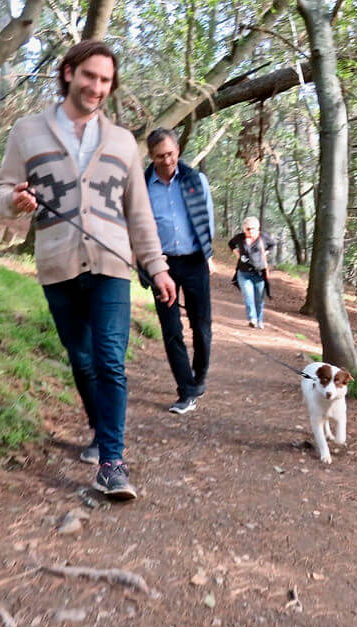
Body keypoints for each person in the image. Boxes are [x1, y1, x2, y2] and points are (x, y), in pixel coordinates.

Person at [0, 40, 176, 501]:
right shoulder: (27, 132)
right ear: (69, 73)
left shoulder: (122, 143)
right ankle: (99, 428)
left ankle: (113, 462)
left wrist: (157, 268)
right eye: (90, 76)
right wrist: (15, 202)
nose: (97, 87)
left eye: (106, 80)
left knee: (111, 360)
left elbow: (139, 213)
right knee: (82, 358)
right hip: (57, 264)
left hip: (112, 263)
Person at [144, 128, 215, 415]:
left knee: (202, 325)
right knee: (171, 328)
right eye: (160, 156)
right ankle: (185, 390)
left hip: (195, 261)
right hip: (162, 265)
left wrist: (209, 255)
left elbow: (207, 218)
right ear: (151, 156)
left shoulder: (196, 179)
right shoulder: (141, 186)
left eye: (171, 153)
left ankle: (199, 377)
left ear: (178, 151)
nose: (167, 160)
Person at [229, 217, 276, 329]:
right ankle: (252, 319)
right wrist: (237, 253)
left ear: (258, 228)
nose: (250, 231)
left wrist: (265, 253)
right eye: (247, 229)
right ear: (244, 229)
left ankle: (259, 320)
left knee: (259, 299)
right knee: (248, 296)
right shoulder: (240, 238)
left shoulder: (263, 237)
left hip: (259, 273)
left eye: (252, 228)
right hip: (243, 273)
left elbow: (272, 244)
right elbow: (231, 243)